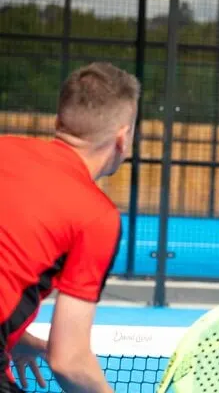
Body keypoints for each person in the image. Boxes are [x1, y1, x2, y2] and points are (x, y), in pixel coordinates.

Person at [0, 62, 140, 393]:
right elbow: (70, 361)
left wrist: (15, 338)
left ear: (58, 123)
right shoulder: (97, 216)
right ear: (122, 138)